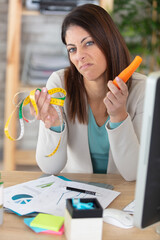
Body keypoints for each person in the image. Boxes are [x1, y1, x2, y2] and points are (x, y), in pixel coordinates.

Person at [30, 4, 146, 181]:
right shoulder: (60, 83)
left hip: (124, 198)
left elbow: (134, 174)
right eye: (72, 49)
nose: (79, 56)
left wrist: (119, 116)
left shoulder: (141, 89)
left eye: (89, 43)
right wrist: (53, 124)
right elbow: (50, 167)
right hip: (76, 194)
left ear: (108, 40)